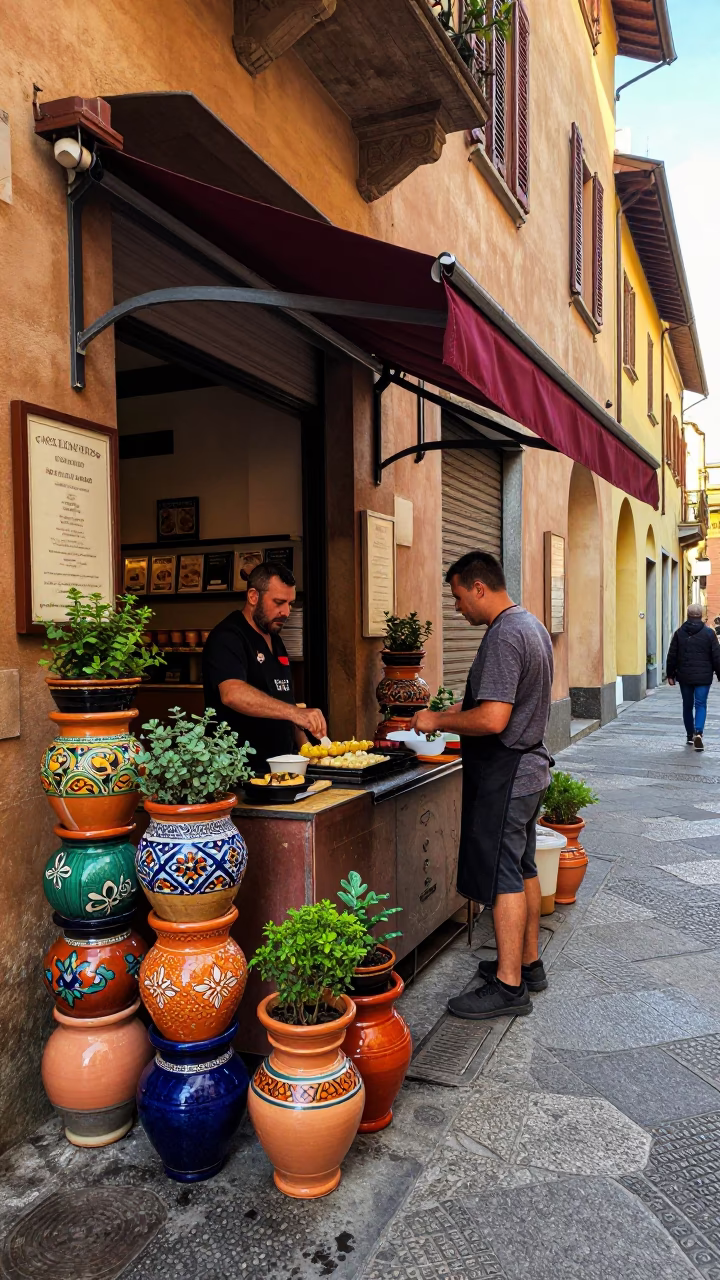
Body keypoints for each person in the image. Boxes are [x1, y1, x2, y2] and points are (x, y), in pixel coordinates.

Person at [410, 550, 553, 1021]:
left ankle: (510, 987)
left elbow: (493, 718)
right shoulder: (530, 624)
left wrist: (438, 719)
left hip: (508, 775)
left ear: (478, 587)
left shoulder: (504, 636)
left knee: (503, 876)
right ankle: (528, 964)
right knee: (524, 867)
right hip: (529, 772)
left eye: (457, 598)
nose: (458, 610)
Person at [202, 562, 327, 771]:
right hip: (239, 770)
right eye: (279, 602)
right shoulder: (228, 637)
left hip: (282, 768)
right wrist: (294, 713)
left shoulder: (275, 638)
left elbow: (285, 700)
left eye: (290, 603)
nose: (286, 612)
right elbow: (232, 694)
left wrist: (307, 749)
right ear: (253, 596)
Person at [666, 602, 720, 751]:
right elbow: (717, 656)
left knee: (687, 705)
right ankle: (699, 733)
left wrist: (670, 674)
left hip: (685, 676)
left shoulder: (679, 633)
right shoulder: (709, 633)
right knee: (701, 704)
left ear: (688, 614)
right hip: (704, 676)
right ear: (701, 615)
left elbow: (672, 655)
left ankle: (690, 736)